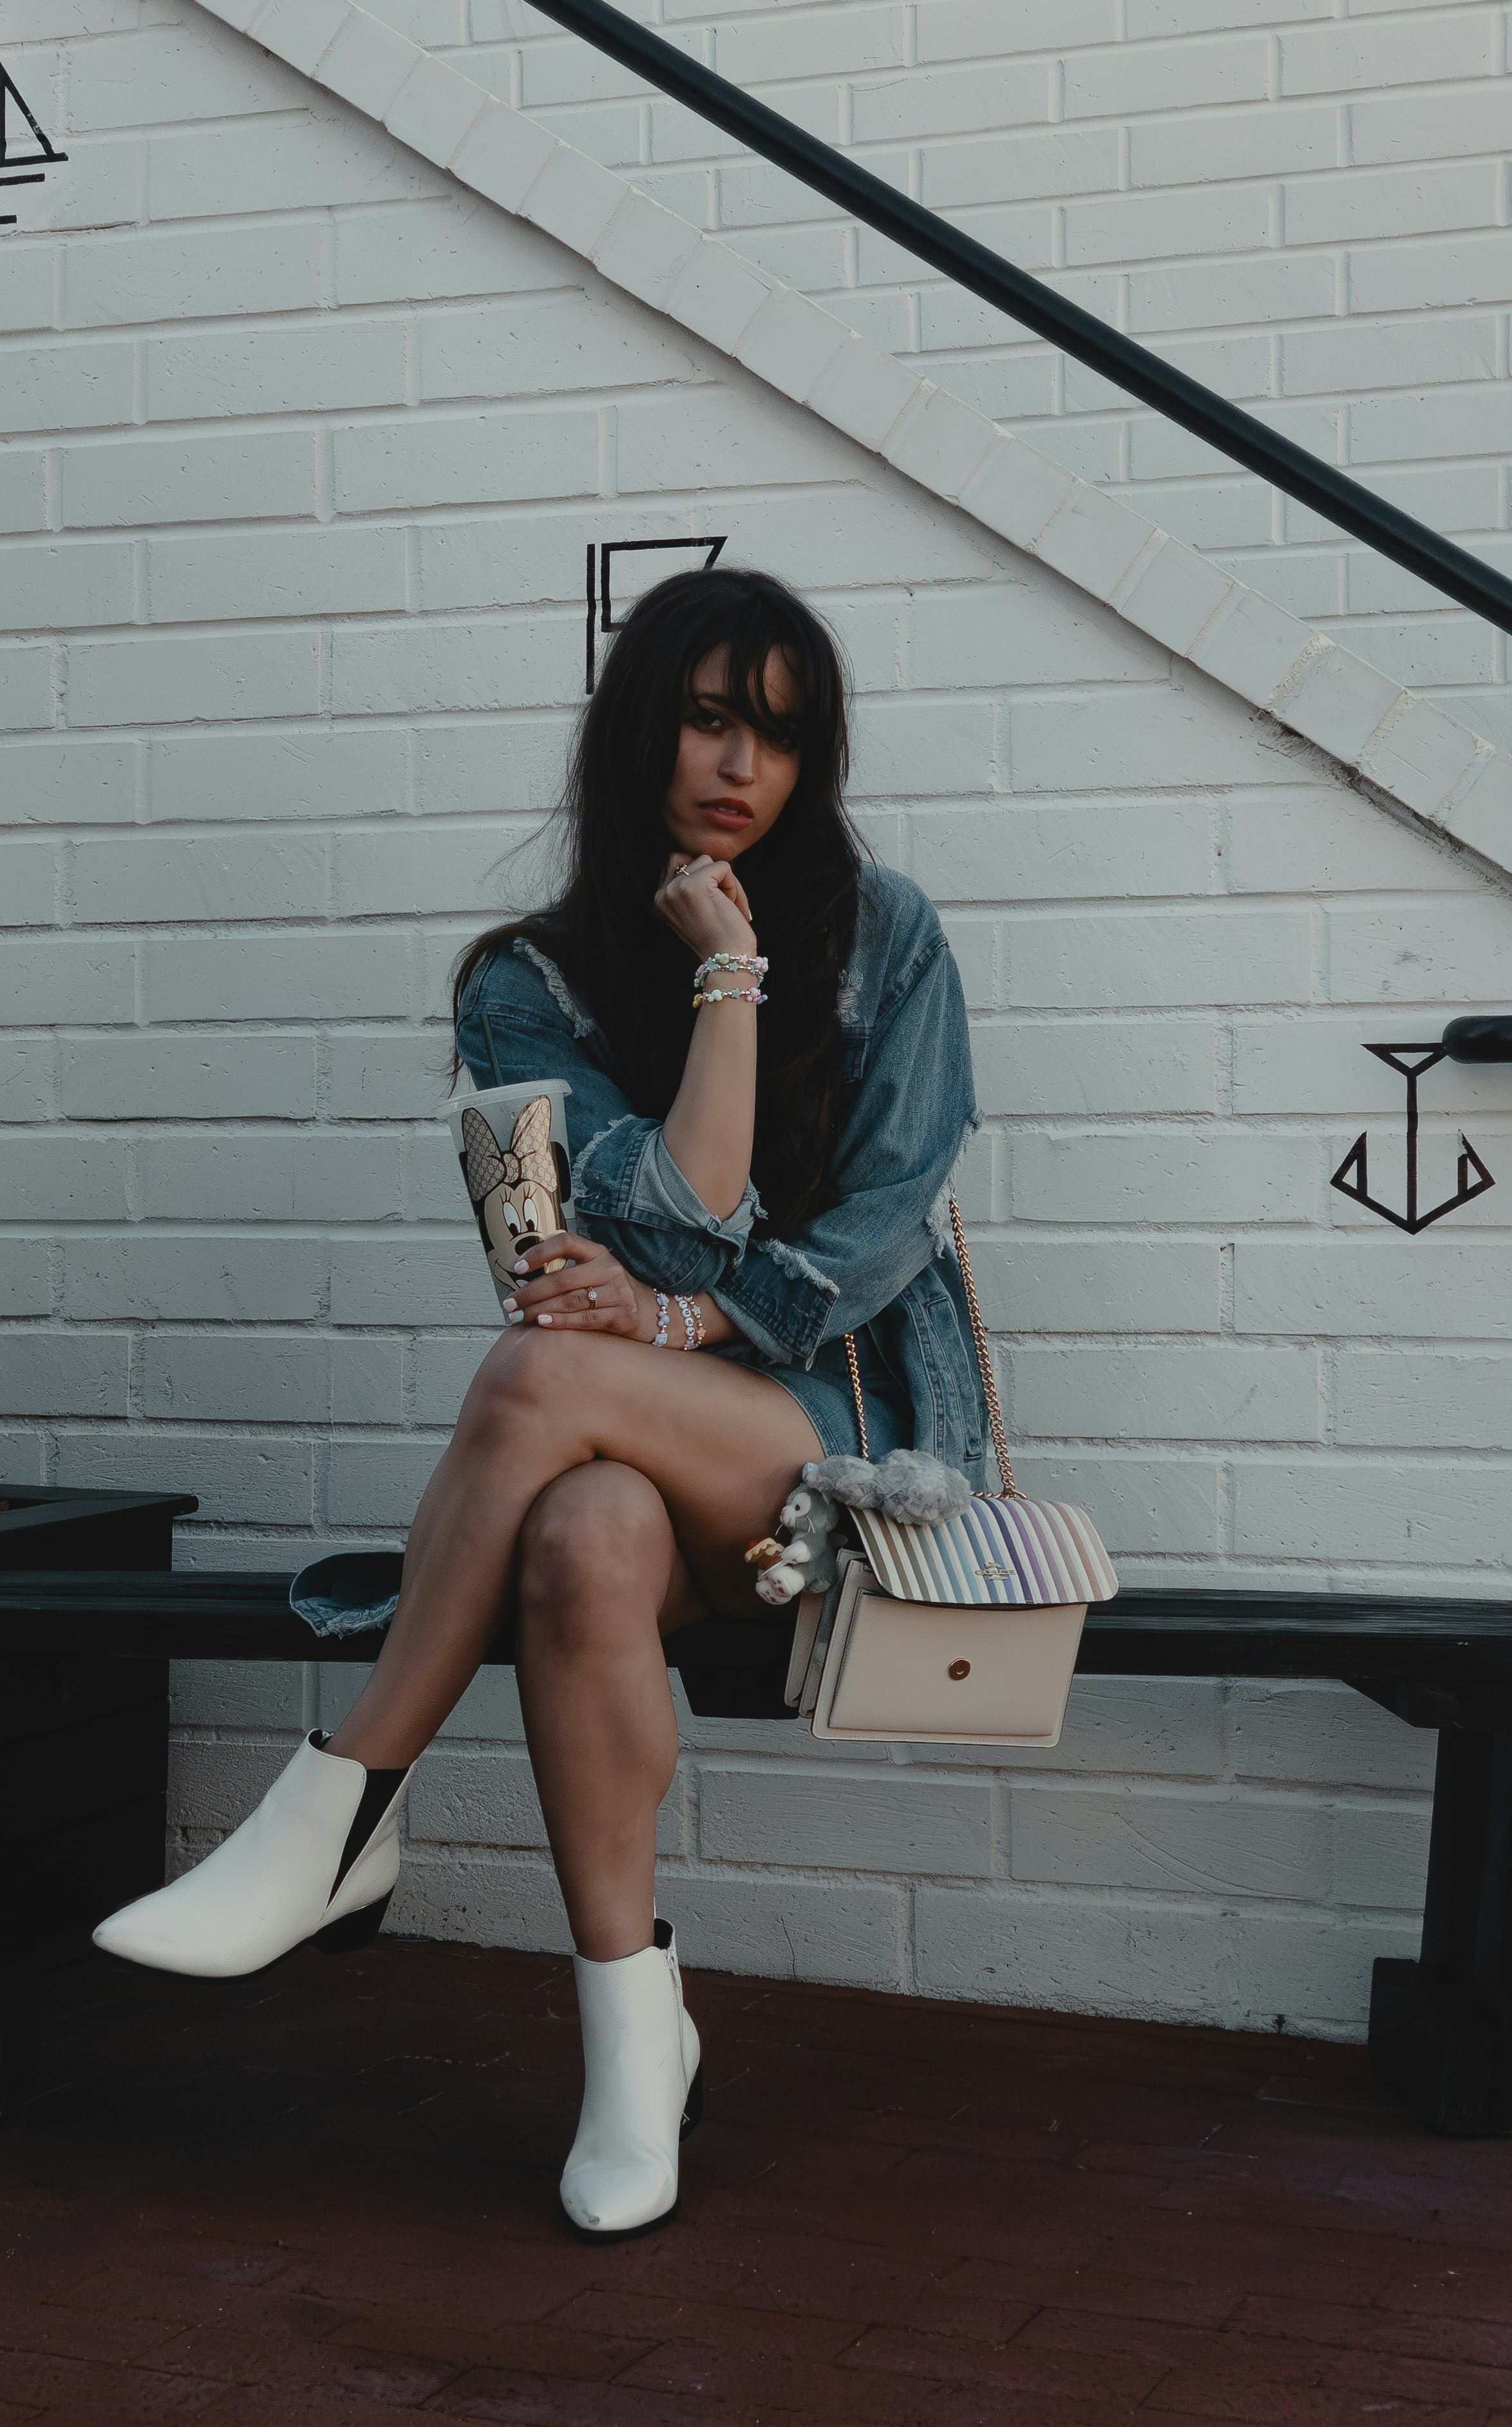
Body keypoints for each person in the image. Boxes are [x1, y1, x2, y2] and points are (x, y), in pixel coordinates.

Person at [91, 567, 987, 2238]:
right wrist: (719, 991)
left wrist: (684, 1306)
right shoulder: (526, 985)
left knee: (537, 1374)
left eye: (781, 736)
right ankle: (632, 2044)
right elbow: (634, 1227)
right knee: (580, 1534)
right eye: (711, 718)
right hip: (636, 1452)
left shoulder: (889, 937)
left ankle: (344, 1799)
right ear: (643, 725)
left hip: (842, 1438)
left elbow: (873, 1233)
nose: (742, 766)